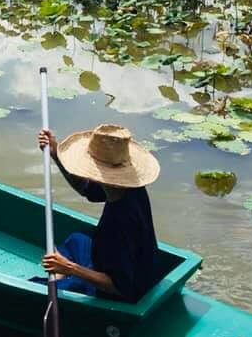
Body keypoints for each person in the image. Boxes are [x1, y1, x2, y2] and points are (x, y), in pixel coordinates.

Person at [36, 123, 161, 303]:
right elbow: (88, 191)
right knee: (76, 240)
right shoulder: (129, 187)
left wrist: (70, 268)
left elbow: (121, 288)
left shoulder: (117, 225)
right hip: (139, 268)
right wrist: (56, 154)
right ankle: (61, 276)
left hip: (119, 292)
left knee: (38, 287)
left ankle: (63, 279)